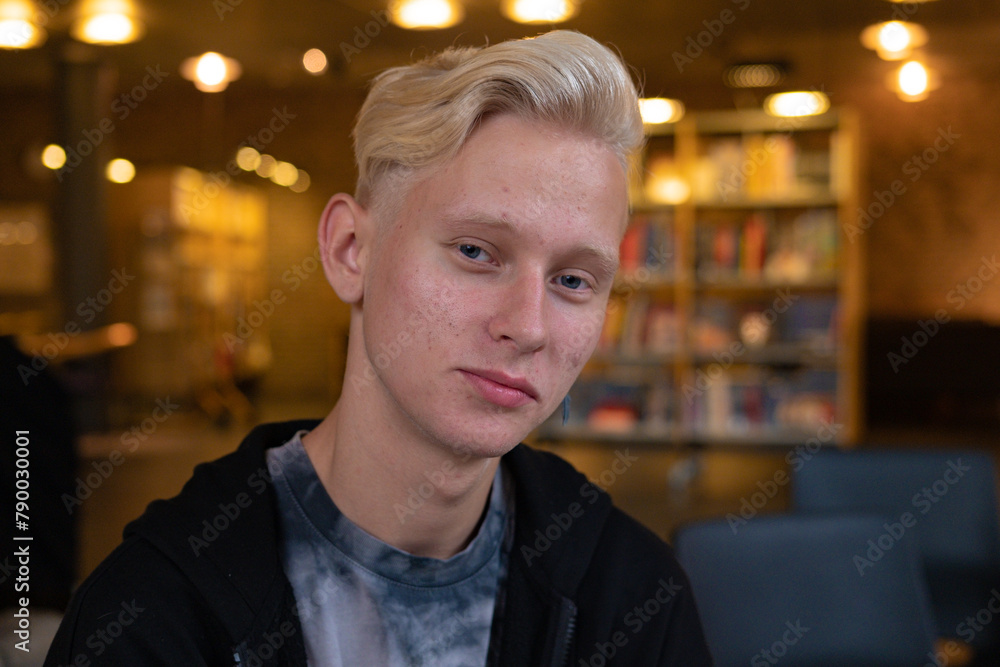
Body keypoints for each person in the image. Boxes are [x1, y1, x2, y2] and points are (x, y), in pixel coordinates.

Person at [45, 30, 712, 666]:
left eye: (572, 280)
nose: (529, 326)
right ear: (350, 251)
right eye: (475, 251)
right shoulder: (149, 617)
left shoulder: (634, 601)